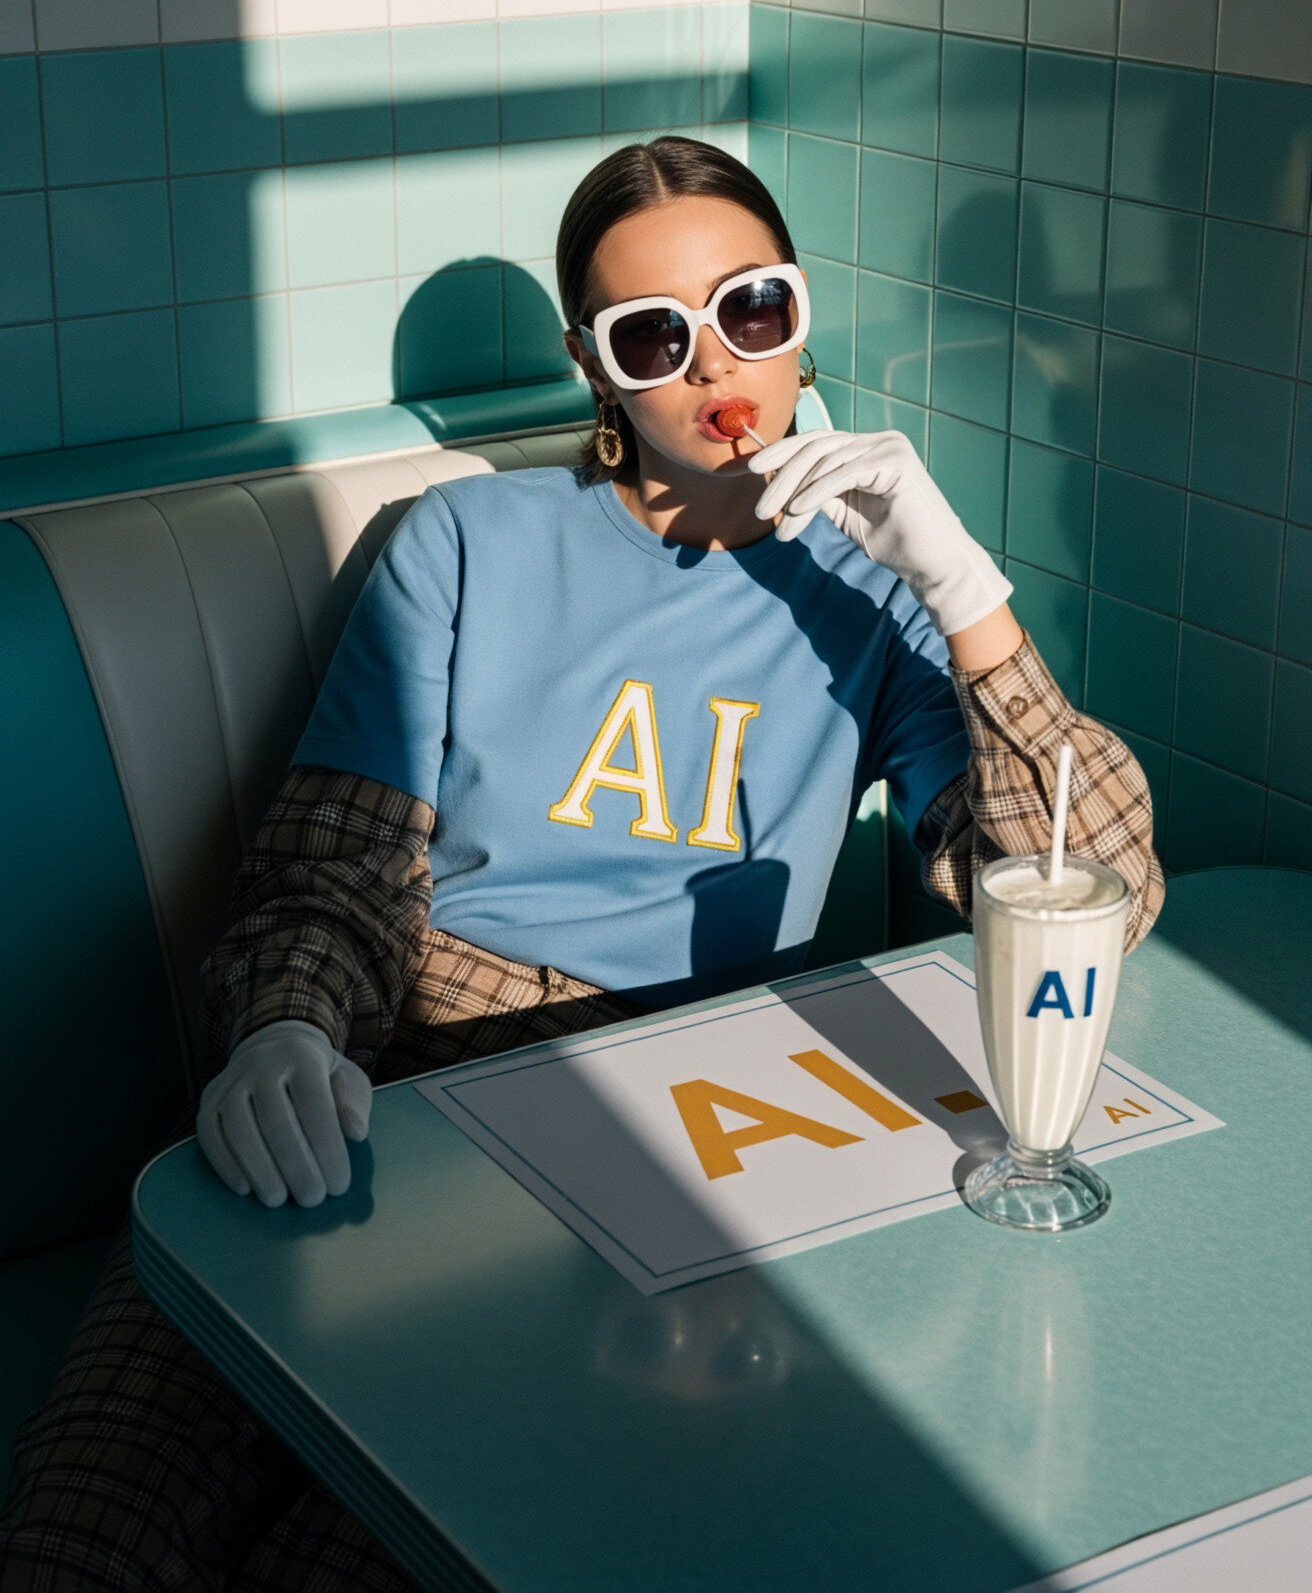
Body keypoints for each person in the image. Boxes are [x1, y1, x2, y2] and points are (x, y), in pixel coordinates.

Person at [0, 138, 1163, 1590]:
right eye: (652, 334)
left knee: (370, 1559)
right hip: (398, 1086)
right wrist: (287, 1025)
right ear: (594, 364)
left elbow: (1093, 891)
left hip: (667, 1135)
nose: (711, 362)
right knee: (85, 1543)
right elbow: (337, 870)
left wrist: (965, 587)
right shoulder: (468, 543)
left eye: (750, 307)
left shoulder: (877, 595)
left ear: (799, 317)